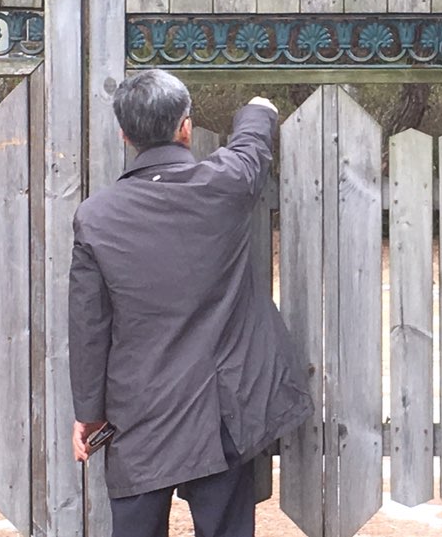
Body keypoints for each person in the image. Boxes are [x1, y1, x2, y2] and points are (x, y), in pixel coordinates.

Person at [68, 69, 313, 537]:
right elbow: (252, 144)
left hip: (139, 415)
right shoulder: (223, 183)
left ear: (124, 135)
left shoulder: (95, 218)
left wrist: (88, 411)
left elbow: (88, 326)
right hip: (222, 410)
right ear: (186, 127)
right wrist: (258, 108)